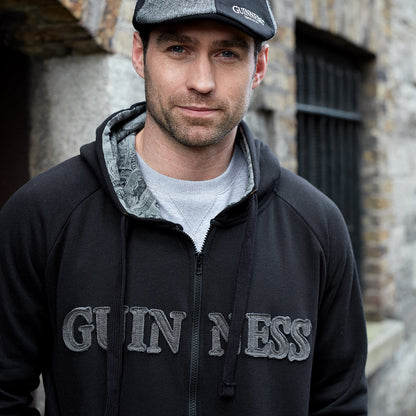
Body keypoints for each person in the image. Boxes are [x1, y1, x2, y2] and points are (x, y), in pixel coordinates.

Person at [0, 1, 368, 415]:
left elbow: (340, 401)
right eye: (178, 49)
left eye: (227, 53)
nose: (202, 81)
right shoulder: (43, 214)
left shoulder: (316, 227)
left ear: (259, 66)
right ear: (140, 54)